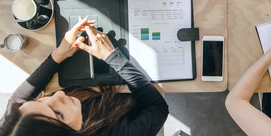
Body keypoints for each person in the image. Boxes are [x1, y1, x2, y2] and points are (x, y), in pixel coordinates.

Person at [0, 17, 168, 135]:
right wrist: (112, 57)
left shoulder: (19, 129)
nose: (59, 95)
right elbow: (157, 108)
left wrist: (58, 56)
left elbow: (17, 101)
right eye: (58, 113)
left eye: (39, 101)